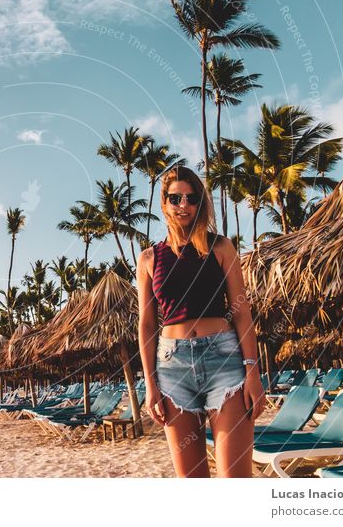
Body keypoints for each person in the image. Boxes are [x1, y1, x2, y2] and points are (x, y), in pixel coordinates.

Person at [137, 165, 265, 477]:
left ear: (200, 203)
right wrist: (151, 386)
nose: (183, 205)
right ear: (164, 203)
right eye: (175, 198)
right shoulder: (149, 259)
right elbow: (147, 325)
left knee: (235, 478)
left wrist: (253, 372)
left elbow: (241, 311)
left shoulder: (220, 247)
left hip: (225, 362)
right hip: (172, 368)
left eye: (191, 198)